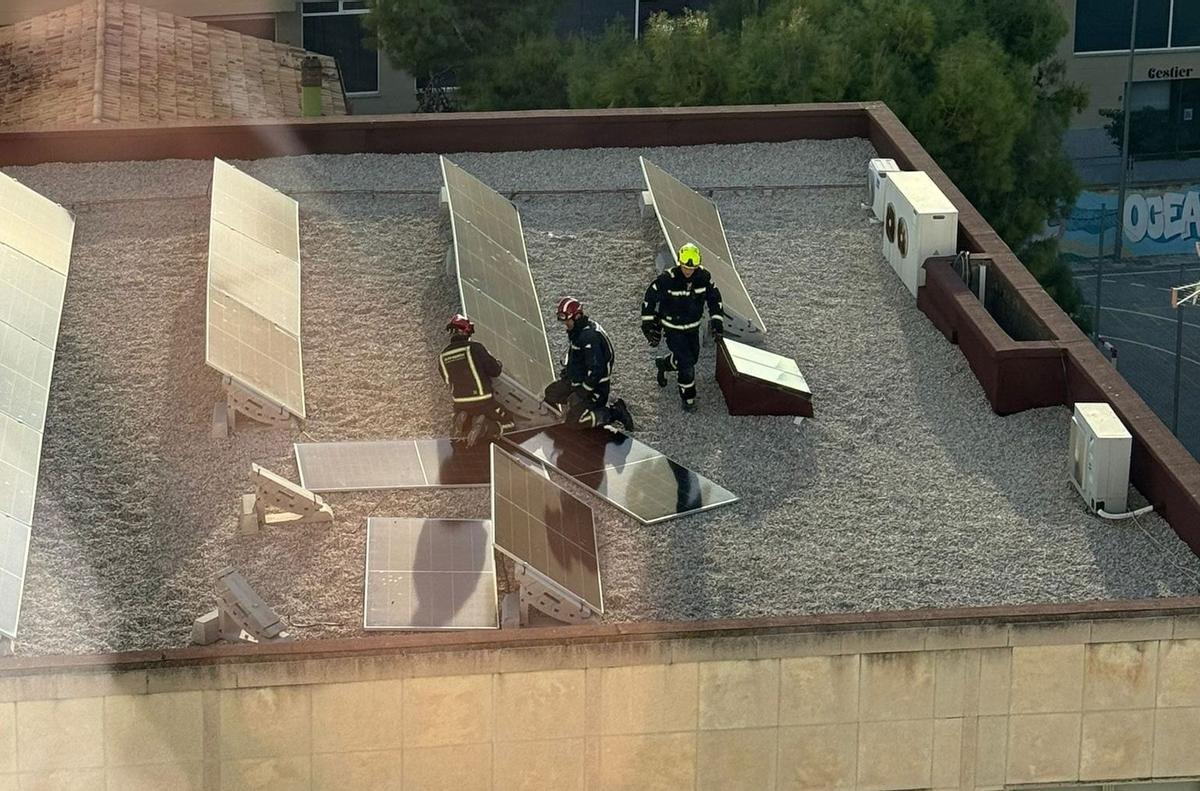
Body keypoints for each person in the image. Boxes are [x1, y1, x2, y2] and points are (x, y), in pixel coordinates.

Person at [641, 242, 725, 412]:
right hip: (673, 328)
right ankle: (688, 398)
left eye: (691, 268)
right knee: (687, 364)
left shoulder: (704, 278)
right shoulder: (667, 279)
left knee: (692, 358)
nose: (688, 271)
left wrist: (717, 323)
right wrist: (648, 324)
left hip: (692, 328)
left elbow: (715, 299)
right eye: (685, 267)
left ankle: (664, 364)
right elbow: (650, 298)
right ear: (680, 262)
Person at [542, 296, 637, 432]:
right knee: (551, 393)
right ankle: (575, 409)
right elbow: (576, 358)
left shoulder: (589, 338)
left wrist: (583, 392)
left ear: (577, 316)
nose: (566, 325)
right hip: (577, 381)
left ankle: (614, 412)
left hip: (595, 388)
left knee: (573, 423)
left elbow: (597, 370)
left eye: (568, 321)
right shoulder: (579, 332)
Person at [437, 313, 514, 446]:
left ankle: (463, 421)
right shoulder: (475, 348)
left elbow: (447, 381)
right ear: (466, 331)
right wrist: (498, 364)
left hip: (460, 403)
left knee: (469, 423)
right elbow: (494, 371)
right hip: (483, 401)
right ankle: (485, 427)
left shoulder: (443, 356)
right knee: (509, 423)